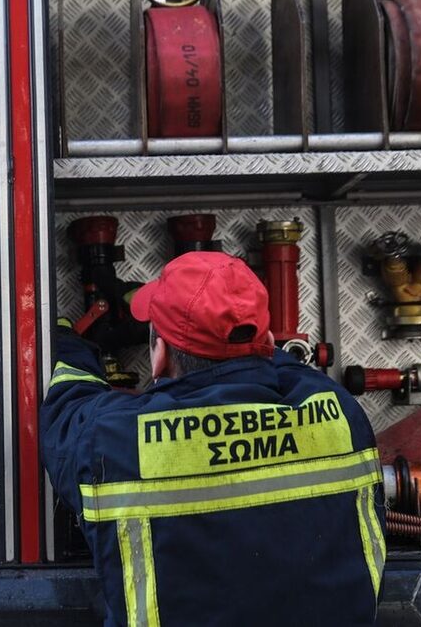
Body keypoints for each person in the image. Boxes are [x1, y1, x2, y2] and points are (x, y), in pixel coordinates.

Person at [42, 251, 385, 626]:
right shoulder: (341, 414)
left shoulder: (113, 441)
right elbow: (281, 363)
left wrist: (61, 336)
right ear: (267, 339)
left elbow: (66, 403)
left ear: (157, 358)